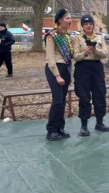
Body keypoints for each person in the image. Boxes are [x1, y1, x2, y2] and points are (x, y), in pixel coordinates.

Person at [73, 14, 109, 136]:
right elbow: (75, 56)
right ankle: (84, 126)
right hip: (82, 68)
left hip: (96, 67)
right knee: (84, 96)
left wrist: (95, 50)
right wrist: (86, 52)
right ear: (82, 26)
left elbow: (105, 53)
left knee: (100, 94)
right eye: (85, 24)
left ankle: (99, 122)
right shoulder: (78, 38)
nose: (88, 26)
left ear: (93, 25)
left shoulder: (99, 37)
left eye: (90, 24)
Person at [45, 9, 73, 141]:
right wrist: (57, 75)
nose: (70, 21)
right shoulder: (52, 35)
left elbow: (69, 57)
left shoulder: (66, 35)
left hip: (65, 69)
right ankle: (51, 130)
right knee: (57, 101)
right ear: (59, 20)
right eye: (67, 18)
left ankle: (60, 128)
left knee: (62, 101)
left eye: (70, 18)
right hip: (54, 69)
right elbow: (50, 57)